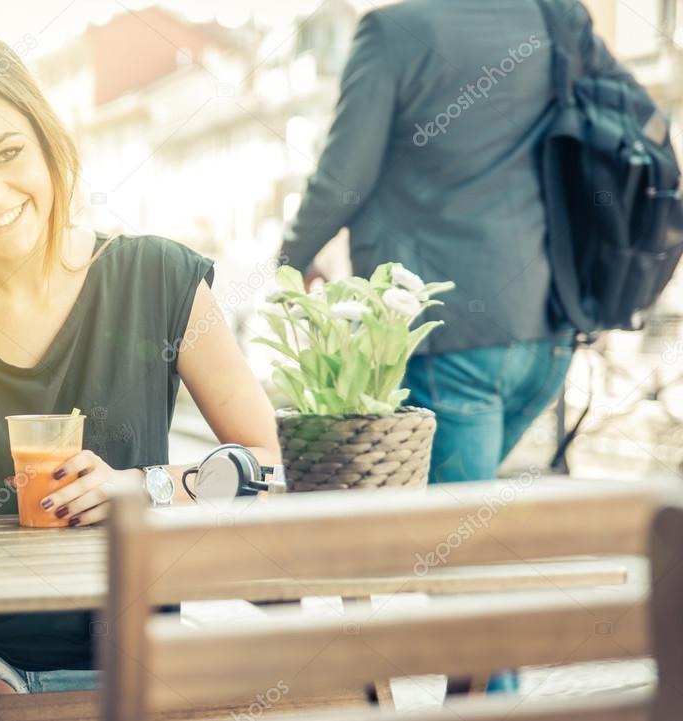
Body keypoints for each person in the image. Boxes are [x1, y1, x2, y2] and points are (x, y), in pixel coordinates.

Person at [0, 36, 281, 721]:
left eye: (7, 153)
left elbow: (264, 464)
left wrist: (143, 486)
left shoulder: (159, 278)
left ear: (49, 142)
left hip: (128, 637)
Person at [277, 0, 647, 695]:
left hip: (450, 343)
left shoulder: (392, 32)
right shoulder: (551, 17)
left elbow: (342, 177)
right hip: (548, 331)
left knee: (464, 564)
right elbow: (629, 117)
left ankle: (489, 701)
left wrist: (288, 262)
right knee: (470, 544)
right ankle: (470, 692)